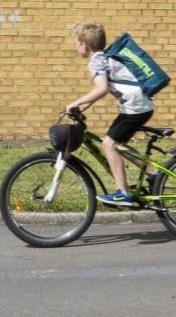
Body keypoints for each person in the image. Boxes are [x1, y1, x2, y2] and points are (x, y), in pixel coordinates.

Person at [66, 21, 154, 206]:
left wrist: (75, 102)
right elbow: (100, 91)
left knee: (109, 145)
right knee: (118, 144)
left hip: (135, 107)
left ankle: (123, 193)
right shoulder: (104, 57)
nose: (76, 47)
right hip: (138, 104)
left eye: (76, 43)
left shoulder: (96, 61)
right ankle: (154, 174)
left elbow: (102, 88)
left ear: (84, 45)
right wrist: (82, 108)